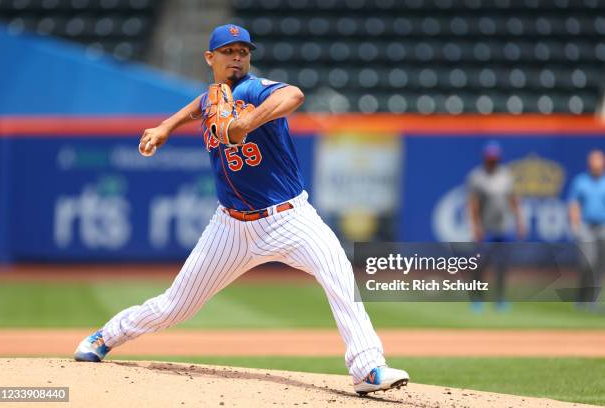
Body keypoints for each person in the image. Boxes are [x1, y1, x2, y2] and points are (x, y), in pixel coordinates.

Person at [73, 24, 409, 395]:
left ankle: (367, 367)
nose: (237, 57)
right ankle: (105, 336)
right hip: (230, 226)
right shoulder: (214, 97)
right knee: (175, 306)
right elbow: (200, 105)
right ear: (210, 58)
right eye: (228, 51)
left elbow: (294, 95)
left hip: (289, 218)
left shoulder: (253, 89)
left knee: (337, 270)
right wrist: (165, 127)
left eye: (243, 51)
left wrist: (244, 123)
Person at [466, 141, 525, 310]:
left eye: (495, 158)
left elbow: (514, 200)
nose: (493, 161)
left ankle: (500, 298)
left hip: (504, 226)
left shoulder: (506, 176)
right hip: (486, 228)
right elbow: (473, 204)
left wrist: (520, 221)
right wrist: (475, 225)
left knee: (502, 265)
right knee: (480, 265)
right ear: (485, 158)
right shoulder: (477, 177)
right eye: (490, 158)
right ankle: (477, 299)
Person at [568, 149, 605, 309]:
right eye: (593, 161)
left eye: (599, 161)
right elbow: (574, 205)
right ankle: (582, 296)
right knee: (587, 263)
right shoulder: (581, 181)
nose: (596, 164)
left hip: (603, 226)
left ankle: (593, 300)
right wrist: (575, 226)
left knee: (599, 265)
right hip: (586, 226)